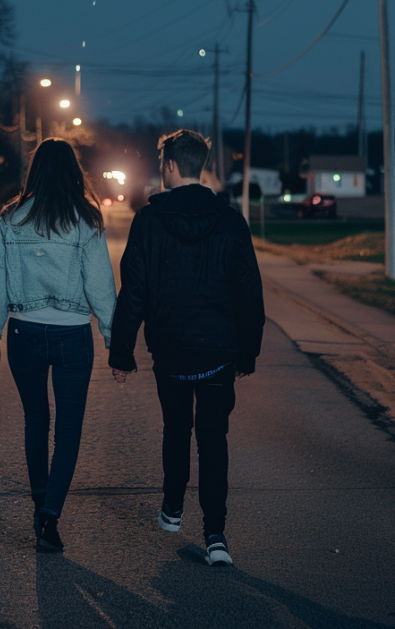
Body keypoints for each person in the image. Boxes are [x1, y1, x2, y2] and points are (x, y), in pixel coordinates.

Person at [108, 129, 265, 567]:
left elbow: (133, 292)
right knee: (214, 438)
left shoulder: (148, 220)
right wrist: (246, 353)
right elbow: (249, 292)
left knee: (176, 427)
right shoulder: (231, 221)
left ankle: (173, 509)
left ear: (171, 167)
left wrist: (121, 353)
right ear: (202, 166)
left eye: (162, 166)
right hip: (218, 351)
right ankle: (216, 535)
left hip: (172, 350)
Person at [0, 138, 116, 553]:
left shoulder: (11, 218)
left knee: (36, 421)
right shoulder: (86, 220)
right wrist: (114, 337)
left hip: (24, 334)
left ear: (34, 170)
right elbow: (100, 286)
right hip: (73, 335)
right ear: (73, 172)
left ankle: (40, 502)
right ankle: (50, 515)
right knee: (69, 429)